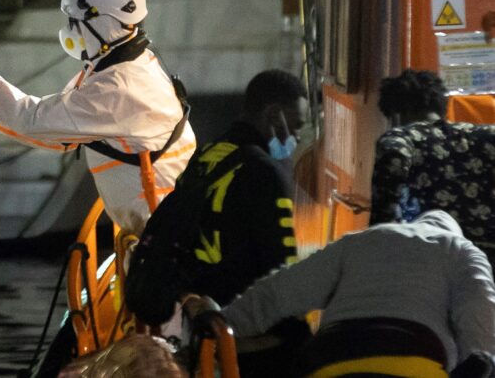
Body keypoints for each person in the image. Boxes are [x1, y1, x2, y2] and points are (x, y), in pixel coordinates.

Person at [0, 0, 197, 236]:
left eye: (77, 22)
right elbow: (54, 133)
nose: (73, 30)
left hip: (165, 238)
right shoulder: (127, 65)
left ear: (101, 22)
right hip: (162, 229)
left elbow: (32, 119)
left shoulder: (117, 88)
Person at [222, 210, 495, 376]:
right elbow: (478, 314)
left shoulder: (363, 240)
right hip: (415, 361)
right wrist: (480, 363)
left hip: (329, 359)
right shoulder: (463, 250)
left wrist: (224, 323)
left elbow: (282, 290)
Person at [167, 69, 310, 376]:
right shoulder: (266, 173)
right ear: (274, 114)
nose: (297, 138)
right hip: (247, 337)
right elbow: (280, 271)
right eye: (296, 127)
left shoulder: (206, 156)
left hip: (199, 323)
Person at [370, 69, 495, 260]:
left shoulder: (401, 140)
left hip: (433, 258)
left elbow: (385, 214)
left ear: (397, 112)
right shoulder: (486, 137)